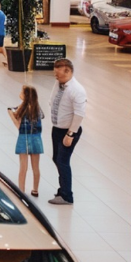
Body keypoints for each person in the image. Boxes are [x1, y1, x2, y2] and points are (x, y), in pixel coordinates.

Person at [48, 59, 86, 205]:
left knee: (62, 161)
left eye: (59, 74)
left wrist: (70, 134)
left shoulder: (77, 90)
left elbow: (79, 114)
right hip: (57, 128)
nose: (56, 77)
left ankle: (66, 195)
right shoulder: (59, 84)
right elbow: (53, 100)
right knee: (56, 159)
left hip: (69, 131)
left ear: (68, 71)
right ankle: (62, 189)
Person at [7, 85, 43, 197]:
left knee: (23, 167)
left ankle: (21, 191)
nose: (20, 93)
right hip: (36, 139)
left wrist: (11, 115)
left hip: (24, 139)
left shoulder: (23, 109)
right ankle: (35, 189)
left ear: (25, 96)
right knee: (36, 167)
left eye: (22, 92)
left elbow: (19, 125)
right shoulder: (37, 108)